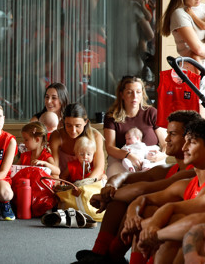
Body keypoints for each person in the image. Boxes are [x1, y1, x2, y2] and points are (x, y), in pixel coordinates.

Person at [75, 110, 200, 264]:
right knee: (127, 200)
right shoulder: (168, 170)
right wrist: (111, 186)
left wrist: (105, 196)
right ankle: (101, 254)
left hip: (167, 229)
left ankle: (111, 256)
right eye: (167, 133)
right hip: (158, 224)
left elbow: (141, 190)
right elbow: (123, 176)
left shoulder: (190, 174)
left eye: (172, 134)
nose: (166, 139)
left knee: (142, 208)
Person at [121, 118, 205, 263]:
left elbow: (194, 221)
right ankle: (105, 253)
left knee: (175, 223)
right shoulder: (186, 184)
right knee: (147, 212)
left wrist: (153, 231)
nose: (184, 148)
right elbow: (144, 197)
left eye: (191, 142)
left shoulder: (185, 176)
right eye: (185, 141)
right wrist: (133, 217)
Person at [103, 76, 166, 177]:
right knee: (115, 174)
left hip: (150, 159)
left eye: (138, 92)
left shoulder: (152, 113)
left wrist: (162, 155)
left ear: (143, 94)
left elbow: (165, 143)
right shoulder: (111, 117)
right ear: (121, 95)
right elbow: (110, 147)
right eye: (129, 92)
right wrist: (129, 156)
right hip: (122, 160)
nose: (134, 96)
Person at [159, 0, 205, 72]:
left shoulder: (203, 8)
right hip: (193, 69)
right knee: (195, 55)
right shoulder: (179, 14)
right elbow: (198, 49)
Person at [50, 103, 105, 179]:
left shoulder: (95, 136)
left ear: (86, 122)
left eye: (77, 126)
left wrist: (84, 184)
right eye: (68, 125)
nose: (73, 131)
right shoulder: (57, 135)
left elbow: (99, 168)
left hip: (88, 179)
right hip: (63, 179)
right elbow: (54, 169)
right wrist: (57, 184)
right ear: (63, 122)